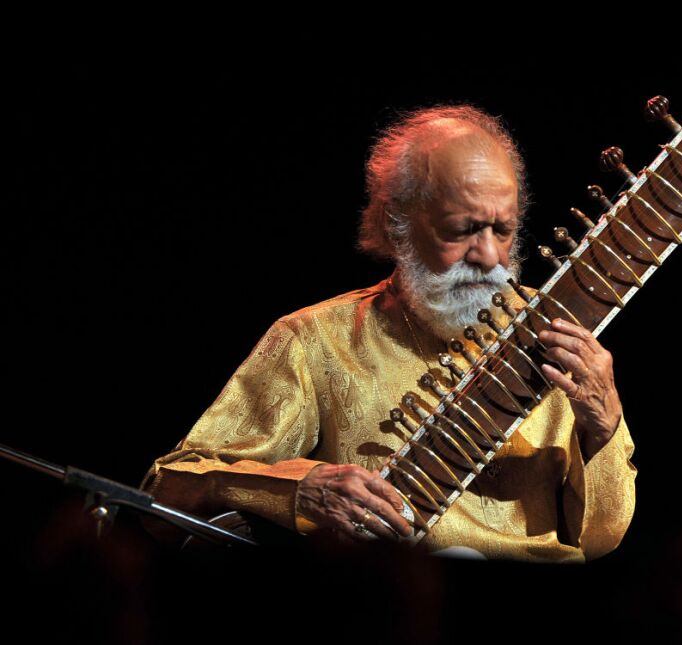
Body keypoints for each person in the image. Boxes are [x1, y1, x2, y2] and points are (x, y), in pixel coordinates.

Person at [140, 104, 637, 562]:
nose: (489, 257)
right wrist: (298, 487)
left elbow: (601, 540)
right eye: (461, 230)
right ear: (397, 222)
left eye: (502, 230)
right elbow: (168, 487)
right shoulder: (317, 339)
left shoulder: (557, 335)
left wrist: (604, 425)